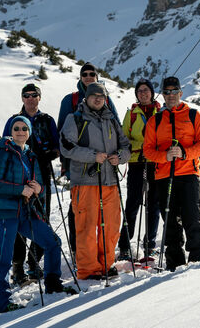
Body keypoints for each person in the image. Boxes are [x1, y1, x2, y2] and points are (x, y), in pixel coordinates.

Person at [0, 116, 76, 314]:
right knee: (4, 257)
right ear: (10, 130)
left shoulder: (30, 155)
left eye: (24, 128)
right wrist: (21, 190)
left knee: (53, 242)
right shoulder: (1, 152)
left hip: (25, 212)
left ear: (29, 132)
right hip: (4, 212)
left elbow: (41, 187)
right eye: (16, 128)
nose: (20, 131)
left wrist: (38, 188)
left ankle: (52, 282)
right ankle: (2, 303)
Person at [59, 82, 130, 280]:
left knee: (111, 226)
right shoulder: (75, 119)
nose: (97, 98)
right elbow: (66, 146)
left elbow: (126, 145)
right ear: (87, 98)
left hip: (110, 182)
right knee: (87, 227)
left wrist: (120, 157)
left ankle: (106, 265)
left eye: (101, 96)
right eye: (94, 95)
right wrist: (93, 155)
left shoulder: (112, 120)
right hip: (85, 182)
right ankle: (88, 269)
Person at [143, 77, 200, 272]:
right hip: (164, 176)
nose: (171, 95)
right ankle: (175, 262)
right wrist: (165, 156)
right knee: (170, 220)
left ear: (181, 93)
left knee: (192, 216)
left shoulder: (193, 115)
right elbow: (148, 151)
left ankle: (197, 257)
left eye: (174, 91)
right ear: (163, 94)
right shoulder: (155, 120)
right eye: (167, 91)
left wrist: (184, 153)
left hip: (189, 173)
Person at [56, 63, 120, 254]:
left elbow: (115, 126)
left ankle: (99, 253)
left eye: (93, 73)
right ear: (80, 77)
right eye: (85, 74)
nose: (89, 76)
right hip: (79, 165)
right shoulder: (70, 100)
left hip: (105, 167)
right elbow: (63, 134)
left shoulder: (106, 100)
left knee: (104, 212)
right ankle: (80, 252)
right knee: (79, 210)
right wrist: (66, 163)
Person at [1, 83, 60, 285]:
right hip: (18, 178)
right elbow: (4, 146)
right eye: (27, 95)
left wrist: (50, 153)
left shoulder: (47, 120)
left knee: (41, 218)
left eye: (34, 95)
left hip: (41, 176)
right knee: (19, 221)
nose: (30, 98)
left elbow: (56, 145)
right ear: (22, 98)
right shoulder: (14, 121)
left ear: (39, 98)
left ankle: (35, 262)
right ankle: (18, 268)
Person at [117, 79, 162, 261]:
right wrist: (140, 146)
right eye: (140, 91)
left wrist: (150, 147)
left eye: (146, 90)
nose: (143, 93)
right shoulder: (132, 114)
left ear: (151, 92)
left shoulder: (160, 112)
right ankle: (125, 247)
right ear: (137, 94)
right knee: (132, 205)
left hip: (156, 163)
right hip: (136, 163)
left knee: (154, 205)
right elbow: (123, 139)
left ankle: (150, 245)